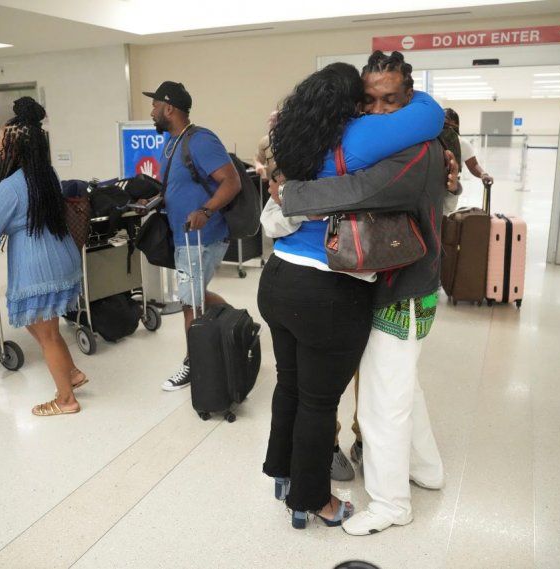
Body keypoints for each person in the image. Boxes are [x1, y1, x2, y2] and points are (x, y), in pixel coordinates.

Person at [258, 60, 444, 530]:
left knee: (291, 385)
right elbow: (430, 116)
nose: (378, 111)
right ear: (350, 105)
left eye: (390, 100)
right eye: (368, 100)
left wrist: (290, 195)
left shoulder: (298, 138)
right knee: (322, 402)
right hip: (326, 288)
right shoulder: (362, 138)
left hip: (277, 277)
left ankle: (282, 474)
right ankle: (311, 500)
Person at [0, 97, 86, 416]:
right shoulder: (46, 175)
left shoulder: (9, 188)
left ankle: (66, 399)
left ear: (15, 147)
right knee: (40, 327)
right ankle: (72, 374)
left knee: (49, 334)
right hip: (60, 255)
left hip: (37, 265)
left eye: (2, 141)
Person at [141, 81, 241, 391]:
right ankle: (237, 321)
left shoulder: (200, 140)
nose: (152, 111)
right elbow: (180, 184)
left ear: (169, 108)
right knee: (194, 296)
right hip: (182, 237)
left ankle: (193, 365)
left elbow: (232, 181)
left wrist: (206, 210)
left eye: (155, 105)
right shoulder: (172, 142)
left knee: (190, 304)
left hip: (203, 236)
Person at [442, 108, 494, 215]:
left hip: (450, 187)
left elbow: (473, 165)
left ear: (455, 123)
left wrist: (483, 174)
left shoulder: (462, 143)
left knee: (444, 218)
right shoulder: (431, 138)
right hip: (430, 187)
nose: (443, 121)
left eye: (446, 119)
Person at [254, 111, 278, 182]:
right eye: (270, 120)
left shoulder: (291, 140)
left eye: (274, 120)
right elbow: (257, 159)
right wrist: (258, 166)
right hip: (272, 184)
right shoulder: (265, 141)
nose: (271, 123)